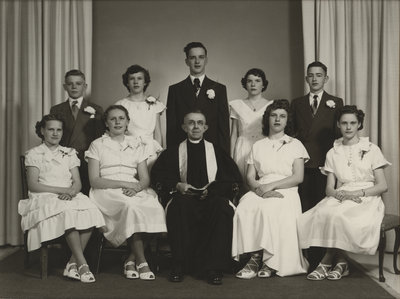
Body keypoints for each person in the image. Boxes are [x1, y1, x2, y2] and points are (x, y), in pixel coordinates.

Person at [298, 105, 389, 281]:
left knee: (338, 215)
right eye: (344, 123)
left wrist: (360, 193)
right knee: (319, 213)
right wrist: (339, 194)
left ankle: (327, 260)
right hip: (342, 194)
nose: (348, 127)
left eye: (353, 123)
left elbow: (382, 186)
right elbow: (329, 188)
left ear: (359, 124)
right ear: (338, 125)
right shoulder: (333, 152)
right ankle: (341, 261)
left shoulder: (372, 149)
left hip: (367, 196)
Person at [151, 110, 242, 285]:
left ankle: (214, 268)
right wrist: (177, 185)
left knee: (221, 208)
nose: (195, 126)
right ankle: (179, 265)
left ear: (205, 127)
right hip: (183, 197)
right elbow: (159, 177)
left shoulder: (216, 151)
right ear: (184, 127)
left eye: (200, 123)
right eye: (191, 123)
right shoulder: (172, 152)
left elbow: (232, 178)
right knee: (179, 207)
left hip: (212, 196)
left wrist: (213, 189)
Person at [18, 114, 105, 283]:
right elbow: (33, 185)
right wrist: (61, 191)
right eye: (51, 129)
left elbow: (78, 182)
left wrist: (72, 192)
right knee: (67, 212)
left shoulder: (69, 153)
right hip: (43, 195)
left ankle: (72, 263)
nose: (55, 133)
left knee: (91, 211)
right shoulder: (35, 154)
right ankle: (82, 264)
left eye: (59, 130)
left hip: (69, 193)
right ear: (42, 131)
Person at [86, 105, 167, 281]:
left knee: (156, 208)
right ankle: (142, 261)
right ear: (106, 123)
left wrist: (136, 188)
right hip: (105, 190)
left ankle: (130, 260)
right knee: (131, 206)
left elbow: (144, 178)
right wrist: (124, 184)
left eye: (121, 118)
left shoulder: (137, 144)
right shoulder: (97, 144)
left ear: (128, 122)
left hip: (133, 188)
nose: (117, 122)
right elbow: (94, 180)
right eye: (113, 119)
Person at [232, 99, 309, 279]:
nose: (277, 119)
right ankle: (254, 256)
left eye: (282, 116)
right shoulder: (258, 145)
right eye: (273, 115)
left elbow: (298, 177)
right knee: (244, 207)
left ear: (287, 120)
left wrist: (271, 186)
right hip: (261, 188)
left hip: (287, 189)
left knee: (270, 208)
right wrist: (261, 189)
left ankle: (268, 259)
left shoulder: (295, 144)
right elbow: (250, 176)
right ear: (267, 119)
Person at [290, 61, 343, 270]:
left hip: (324, 164)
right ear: (306, 78)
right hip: (302, 164)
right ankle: (306, 255)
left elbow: (338, 135)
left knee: (322, 210)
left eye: (319, 75)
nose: (314, 79)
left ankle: (323, 256)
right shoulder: (297, 103)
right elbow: (292, 132)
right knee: (304, 208)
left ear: (325, 79)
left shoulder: (335, 102)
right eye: (310, 75)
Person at [166, 42, 230, 154]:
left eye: (201, 57)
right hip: (183, 150)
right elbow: (171, 128)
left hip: (212, 150)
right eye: (192, 58)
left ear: (206, 60)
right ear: (186, 61)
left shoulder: (219, 89)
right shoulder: (175, 90)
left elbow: (224, 128)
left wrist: (224, 156)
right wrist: (172, 155)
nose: (197, 61)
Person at [50, 69, 105, 195]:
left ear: (85, 86)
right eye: (70, 84)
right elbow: (51, 137)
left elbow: (100, 139)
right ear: (65, 86)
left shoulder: (96, 109)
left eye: (78, 83)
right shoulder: (56, 109)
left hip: (87, 162)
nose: (74, 87)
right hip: (64, 163)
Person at [115, 65, 164, 170]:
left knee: (150, 179)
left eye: (139, 78)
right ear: (127, 83)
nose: (136, 82)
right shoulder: (121, 104)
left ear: (145, 82)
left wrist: (159, 153)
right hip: (128, 148)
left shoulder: (154, 104)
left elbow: (158, 133)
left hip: (150, 149)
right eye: (132, 79)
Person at [230, 68, 272, 185]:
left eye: (257, 81)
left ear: (263, 84)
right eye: (249, 81)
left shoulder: (271, 105)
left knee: (262, 182)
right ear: (245, 84)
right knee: (242, 183)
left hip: (263, 147)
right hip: (242, 148)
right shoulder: (237, 105)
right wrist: (231, 158)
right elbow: (233, 134)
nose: (253, 84)